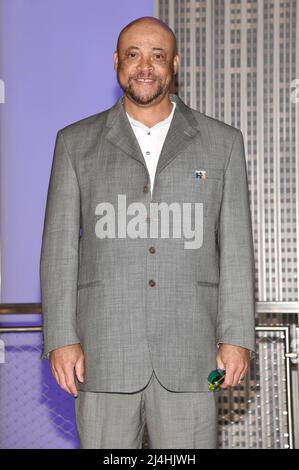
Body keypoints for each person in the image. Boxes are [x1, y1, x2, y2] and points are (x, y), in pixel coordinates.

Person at [40, 16, 256, 449]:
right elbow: (59, 249)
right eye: (134, 54)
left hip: (192, 352)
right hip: (102, 353)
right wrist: (61, 339)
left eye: (157, 55)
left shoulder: (223, 143)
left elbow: (235, 249)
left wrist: (236, 337)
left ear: (174, 64)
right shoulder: (75, 143)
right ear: (117, 62)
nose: (145, 65)